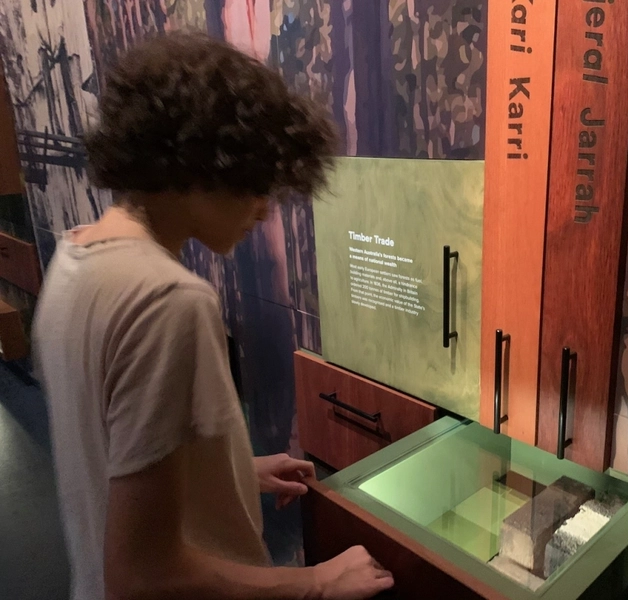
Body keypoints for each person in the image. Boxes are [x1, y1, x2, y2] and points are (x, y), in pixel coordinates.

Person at [33, 32, 394, 600]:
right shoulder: (168, 299)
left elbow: (110, 457)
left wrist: (226, 471)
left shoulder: (75, 257)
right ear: (198, 161)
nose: (264, 206)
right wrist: (315, 582)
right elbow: (143, 576)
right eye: (256, 180)